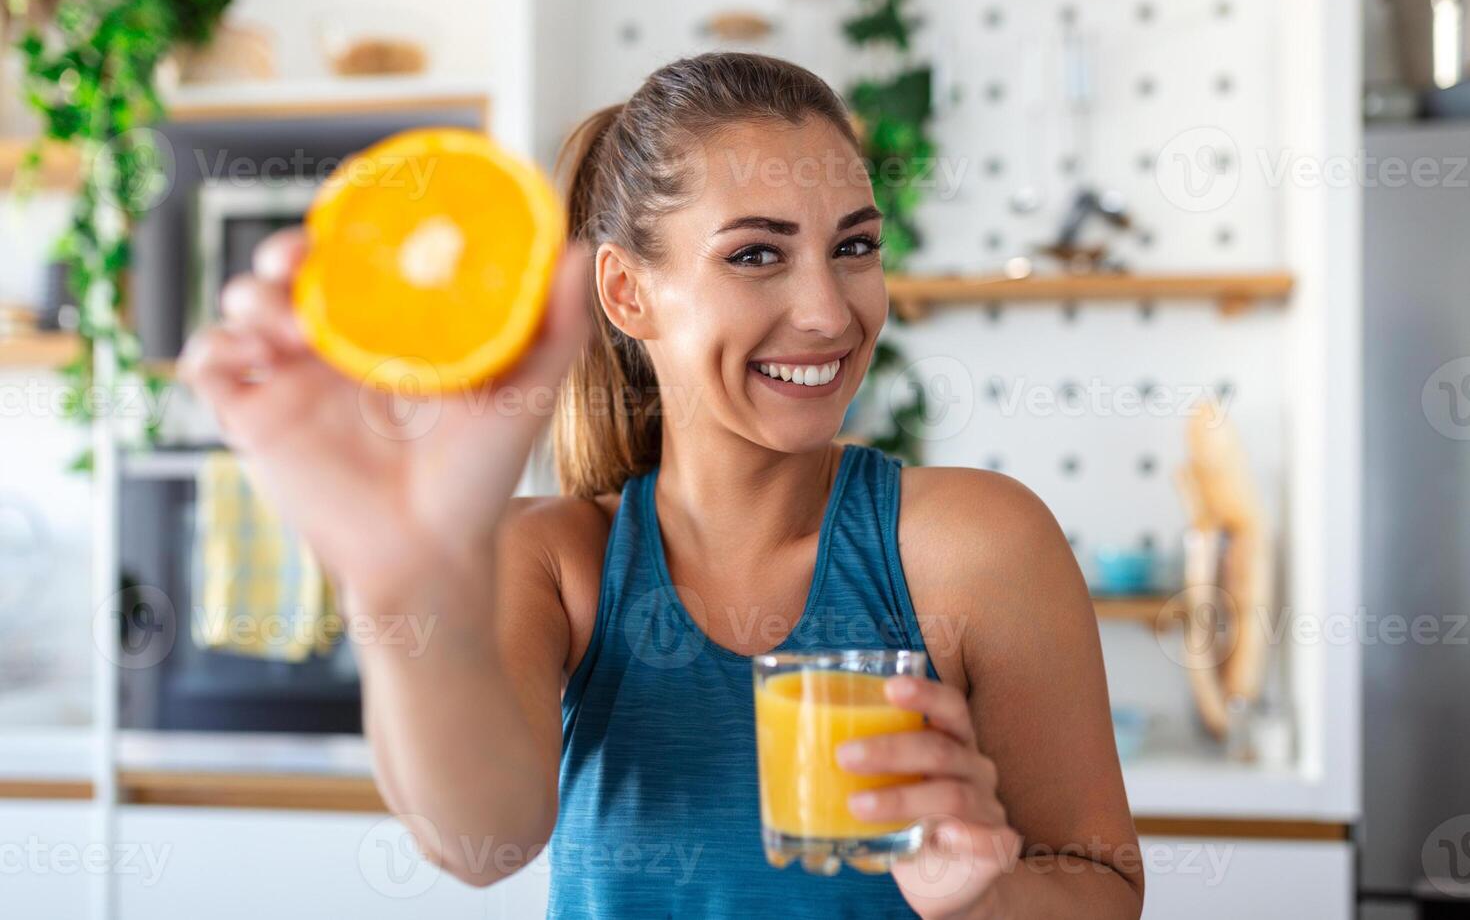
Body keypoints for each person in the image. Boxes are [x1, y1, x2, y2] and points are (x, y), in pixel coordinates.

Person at [181, 51, 1143, 919]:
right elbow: (484, 840)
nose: (827, 311)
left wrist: (983, 896)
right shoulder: (556, 564)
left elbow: (1103, 887)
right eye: (755, 255)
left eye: (853, 247)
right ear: (626, 292)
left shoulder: (975, 546)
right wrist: (401, 592)